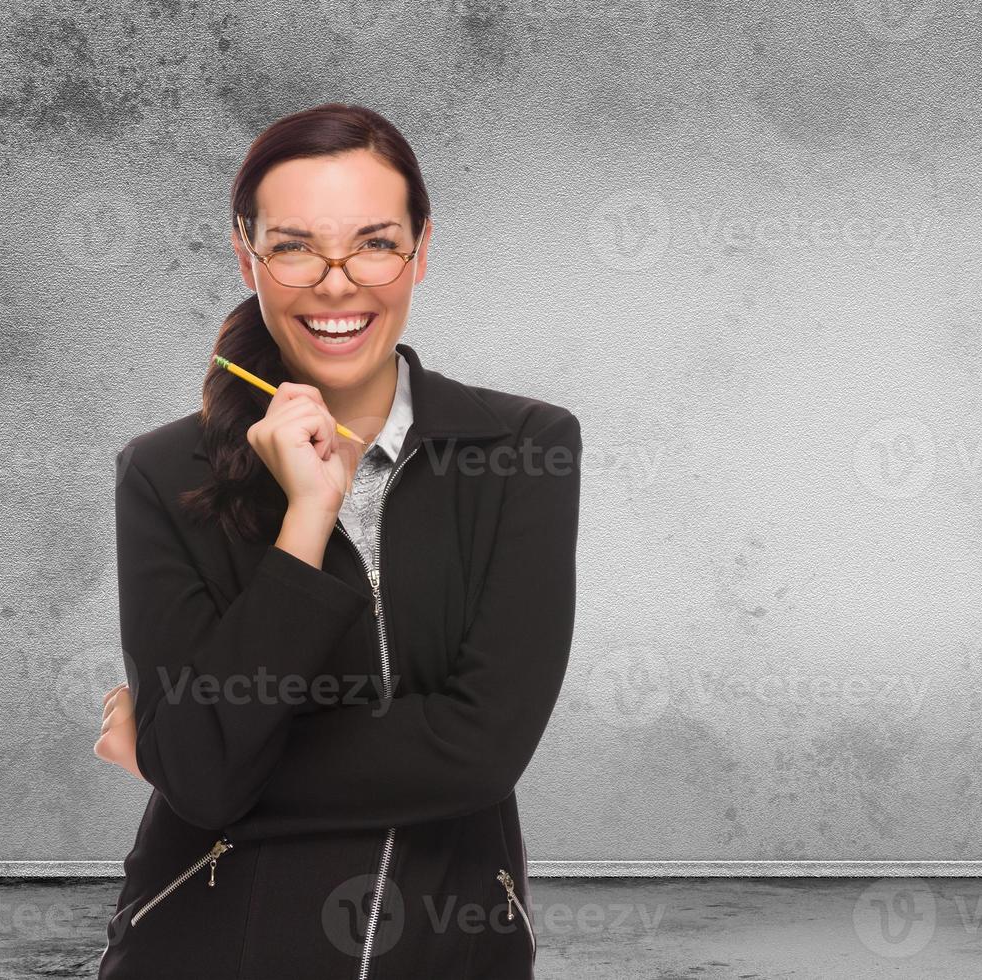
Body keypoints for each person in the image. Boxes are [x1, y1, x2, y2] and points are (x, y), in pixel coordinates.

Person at [91, 102, 580, 979]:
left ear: (422, 251)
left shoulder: (524, 449)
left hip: (451, 947)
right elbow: (201, 772)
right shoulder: (162, 472)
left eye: (375, 242)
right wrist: (307, 522)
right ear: (248, 257)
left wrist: (175, 755)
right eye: (294, 246)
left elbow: (483, 749)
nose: (337, 280)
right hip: (205, 950)